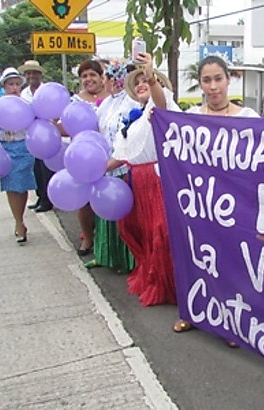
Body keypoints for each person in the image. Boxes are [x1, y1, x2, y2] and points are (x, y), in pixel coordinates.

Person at [176, 55, 259, 341]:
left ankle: (234, 322)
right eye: (207, 80)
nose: (213, 87)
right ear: (200, 84)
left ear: (229, 80)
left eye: (218, 79)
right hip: (200, 208)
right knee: (196, 259)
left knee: (233, 264)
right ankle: (192, 312)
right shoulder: (190, 120)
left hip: (238, 209)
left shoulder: (249, 119)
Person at [107, 52, 181, 307]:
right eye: (137, 82)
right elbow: (121, 155)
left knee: (162, 233)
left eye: (145, 81)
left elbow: (160, 103)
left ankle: (170, 285)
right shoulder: (132, 118)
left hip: (160, 178)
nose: (141, 84)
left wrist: (151, 76)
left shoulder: (161, 104)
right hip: (137, 180)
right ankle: (154, 278)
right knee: (144, 232)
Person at [85, 61, 140, 271]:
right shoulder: (107, 104)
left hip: (124, 167)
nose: (104, 82)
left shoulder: (132, 103)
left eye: (107, 77)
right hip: (105, 167)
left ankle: (127, 261)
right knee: (106, 215)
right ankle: (106, 256)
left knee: (125, 215)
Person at [0, 67, 37, 243]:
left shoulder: (27, 104)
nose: (14, 87)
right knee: (11, 186)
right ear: (4, 86)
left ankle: (20, 218)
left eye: (17, 84)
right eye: (10, 84)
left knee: (22, 185)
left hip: (23, 149)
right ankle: (19, 222)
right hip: (4, 149)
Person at [68, 60, 109, 256]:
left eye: (92, 75)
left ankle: (110, 242)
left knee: (109, 197)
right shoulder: (75, 101)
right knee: (84, 200)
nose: (88, 79)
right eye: (84, 76)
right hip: (83, 156)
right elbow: (66, 127)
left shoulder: (112, 97)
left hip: (109, 154)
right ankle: (88, 237)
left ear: (102, 77)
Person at [18, 60, 55, 214]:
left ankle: (47, 200)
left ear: (40, 74)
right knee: (36, 170)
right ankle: (40, 197)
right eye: (29, 73)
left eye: (34, 73)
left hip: (46, 134)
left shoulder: (47, 90)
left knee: (46, 169)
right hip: (31, 135)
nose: (31, 76)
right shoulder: (24, 93)